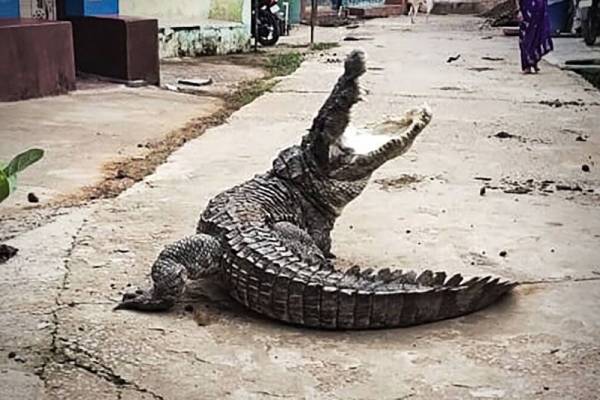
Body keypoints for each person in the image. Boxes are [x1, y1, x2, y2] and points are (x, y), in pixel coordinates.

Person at [516, 0, 554, 74]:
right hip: (526, 9)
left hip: (539, 8)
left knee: (539, 33)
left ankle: (534, 61)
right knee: (526, 37)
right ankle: (527, 65)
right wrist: (518, 10)